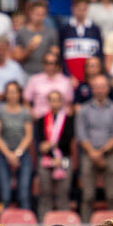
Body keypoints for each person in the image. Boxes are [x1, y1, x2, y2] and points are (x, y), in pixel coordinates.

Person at [76, 74, 113, 221]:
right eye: (96, 87)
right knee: (88, 195)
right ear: (92, 89)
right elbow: (81, 135)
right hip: (88, 153)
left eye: (102, 87)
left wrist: (100, 153)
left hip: (109, 154)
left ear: (108, 89)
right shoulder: (83, 110)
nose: (100, 90)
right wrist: (93, 154)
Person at [0, 82, 34, 210]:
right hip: (4, 155)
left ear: (19, 94)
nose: (12, 95)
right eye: (9, 92)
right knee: (5, 194)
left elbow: (28, 136)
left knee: (24, 194)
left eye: (15, 91)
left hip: (22, 154)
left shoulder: (25, 112)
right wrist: (9, 154)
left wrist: (18, 153)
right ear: (6, 94)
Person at [35, 89, 74, 218]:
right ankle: (43, 225)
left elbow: (68, 139)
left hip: (64, 159)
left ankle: (65, 225)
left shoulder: (68, 119)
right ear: (48, 102)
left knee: (63, 193)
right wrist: (43, 146)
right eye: (52, 100)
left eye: (57, 100)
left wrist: (51, 145)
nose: (55, 103)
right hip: (46, 159)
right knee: (45, 193)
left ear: (62, 102)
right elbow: (40, 141)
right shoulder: (42, 120)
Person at [59, 0, 103, 86]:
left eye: (83, 9)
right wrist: (68, 75)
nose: (81, 12)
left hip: (92, 79)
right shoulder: (65, 29)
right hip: (71, 79)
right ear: (73, 9)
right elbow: (61, 55)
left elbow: (100, 54)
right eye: (78, 8)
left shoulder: (95, 29)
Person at [13, 0, 59, 79]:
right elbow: (18, 57)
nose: (40, 17)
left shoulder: (51, 32)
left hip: (46, 74)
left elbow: (55, 54)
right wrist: (29, 49)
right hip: (27, 73)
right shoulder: (22, 32)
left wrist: (53, 53)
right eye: (37, 14)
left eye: (42, 15)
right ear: (30, 13)